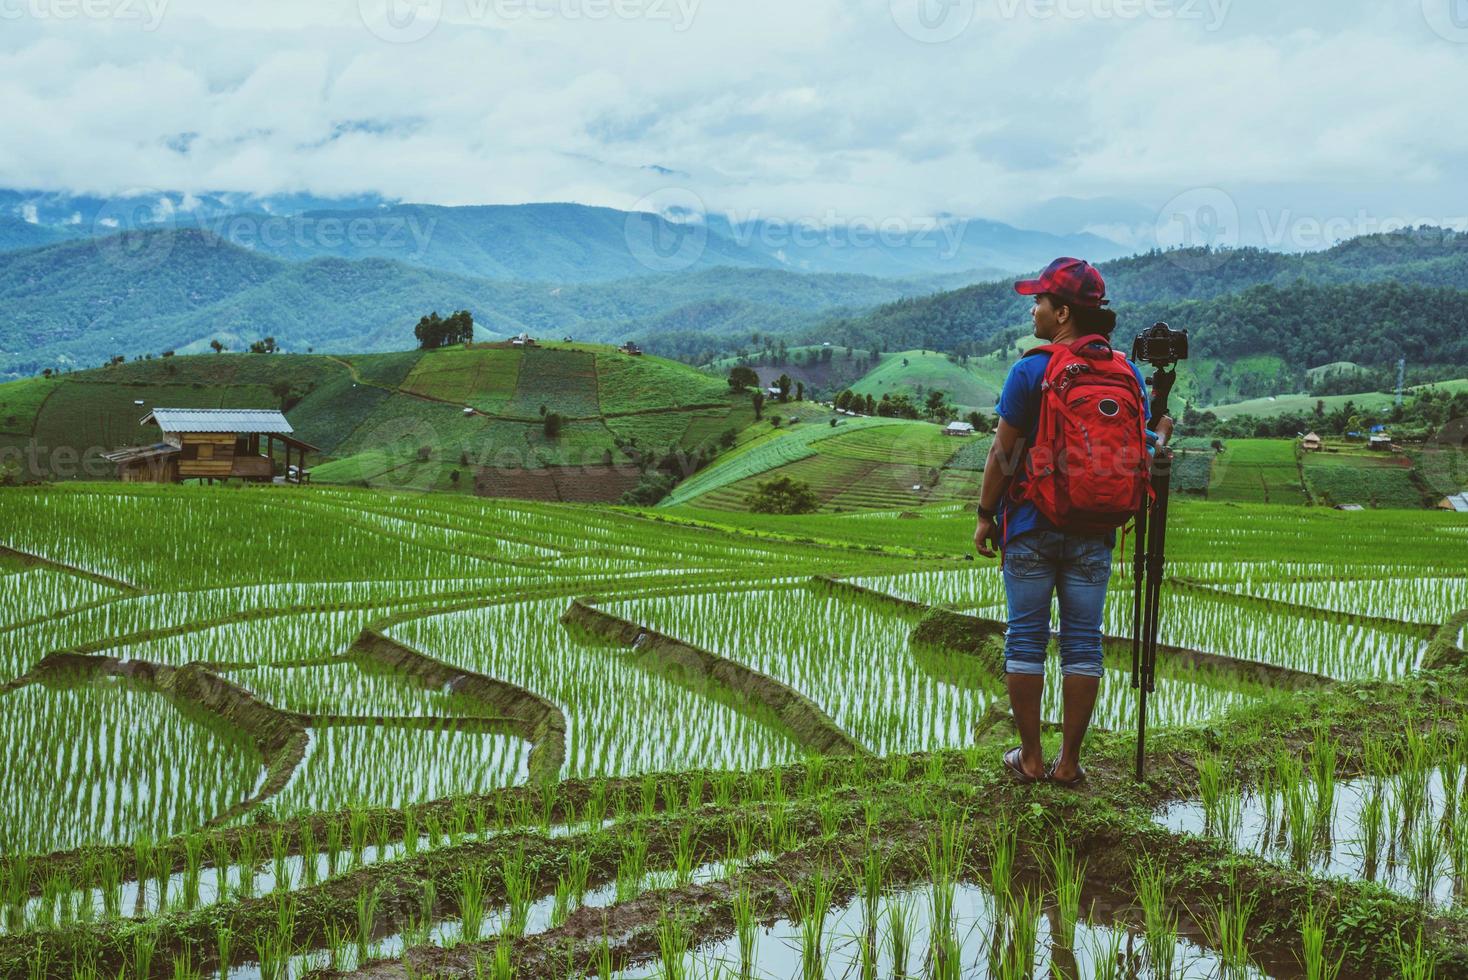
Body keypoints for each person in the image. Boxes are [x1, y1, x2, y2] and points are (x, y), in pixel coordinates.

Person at [973, 257, 1173, 786]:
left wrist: (985, 515)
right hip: (1094, 532)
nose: (1034, 309)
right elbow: (1142, 448)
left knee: (1025, 641)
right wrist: (1163, 430)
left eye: (1039, 301)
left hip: (1033, 528)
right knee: (1083, 642)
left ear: (1062, 312)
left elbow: (1003, 454)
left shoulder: (1031, 369)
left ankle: (1032, 758)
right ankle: (1069, 763)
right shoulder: (1126, 373)